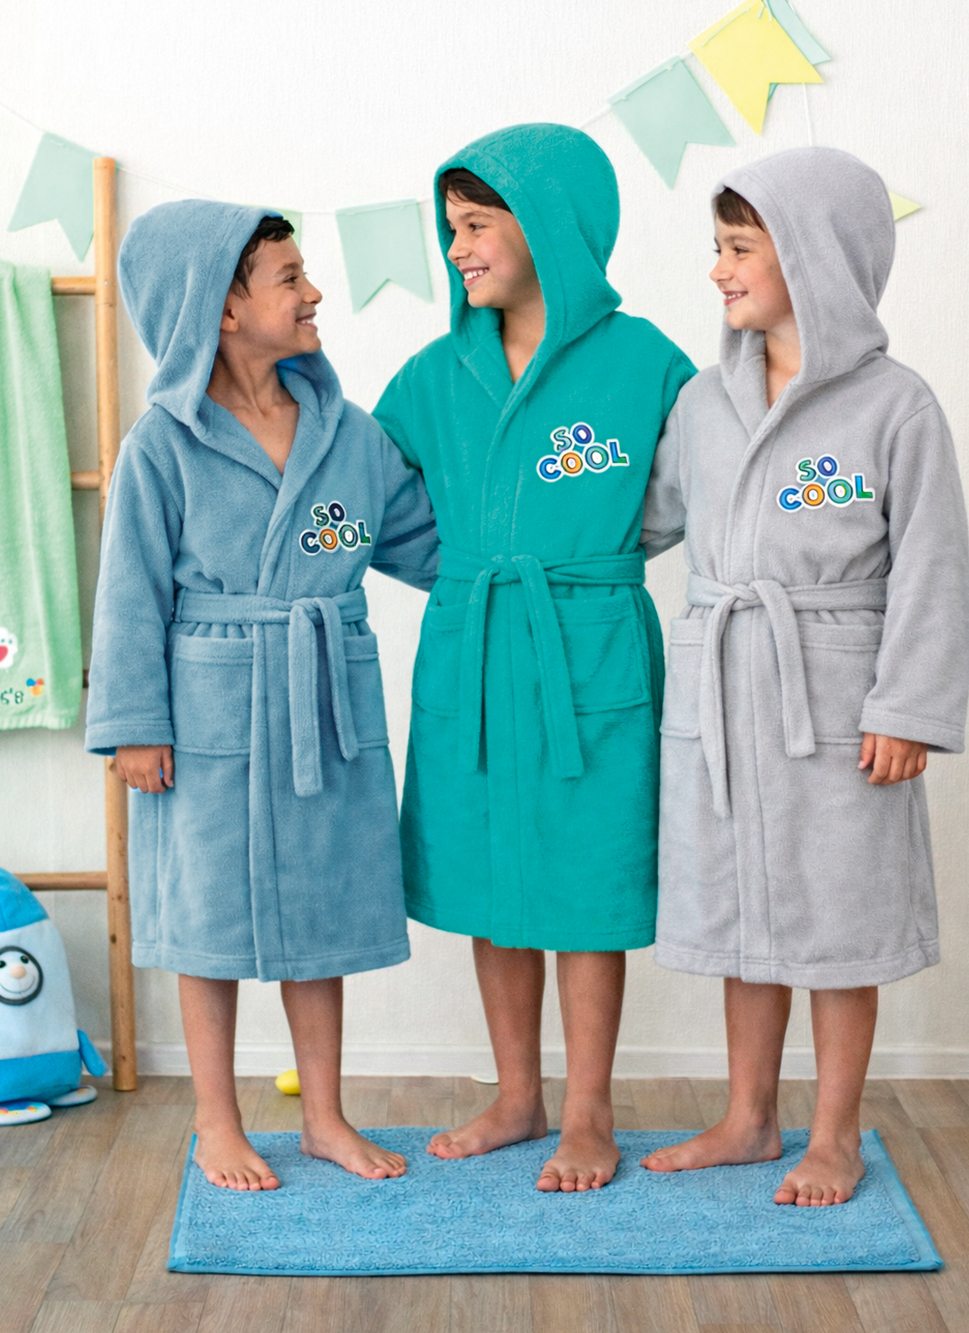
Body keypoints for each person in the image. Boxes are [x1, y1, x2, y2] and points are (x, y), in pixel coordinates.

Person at [640, 147, 969, 1205]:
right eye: (719, 248)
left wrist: (907, 706)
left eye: (740, 249)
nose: (719, 270)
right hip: (721, 686)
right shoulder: (703, 400)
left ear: (815, 257)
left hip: (836, 697)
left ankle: (834, 1133)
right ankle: (747, 1117)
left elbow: (932, 564)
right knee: (745, 918)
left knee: (837, 923)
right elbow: (644, 519)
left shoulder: (895, 406)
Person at [86, 202, 438, 1190]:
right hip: (209, 707)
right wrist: (135, 727)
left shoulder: (347, 436)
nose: (314, 292)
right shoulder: (162, 444)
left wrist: (538, 551)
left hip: (323, 701)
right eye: (290, 278)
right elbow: (129, 591)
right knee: (208, 918)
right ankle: (216, 1122)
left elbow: (429, 544)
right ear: (224, 306)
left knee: (318, 909)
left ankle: (324, 1116)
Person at [374, 123, 695, 1192]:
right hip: (473, 648)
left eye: (477, 225)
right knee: (491, 876)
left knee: (586, 883)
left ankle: (590, 1112)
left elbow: (693, 493)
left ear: (550, 226)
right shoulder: (435, 373)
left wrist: (594, 568)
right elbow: (369, 498)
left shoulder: (643, 362)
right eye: (450, 228)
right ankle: (518, 1096)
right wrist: (466, 573)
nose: (457, 248)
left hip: (588, 649)